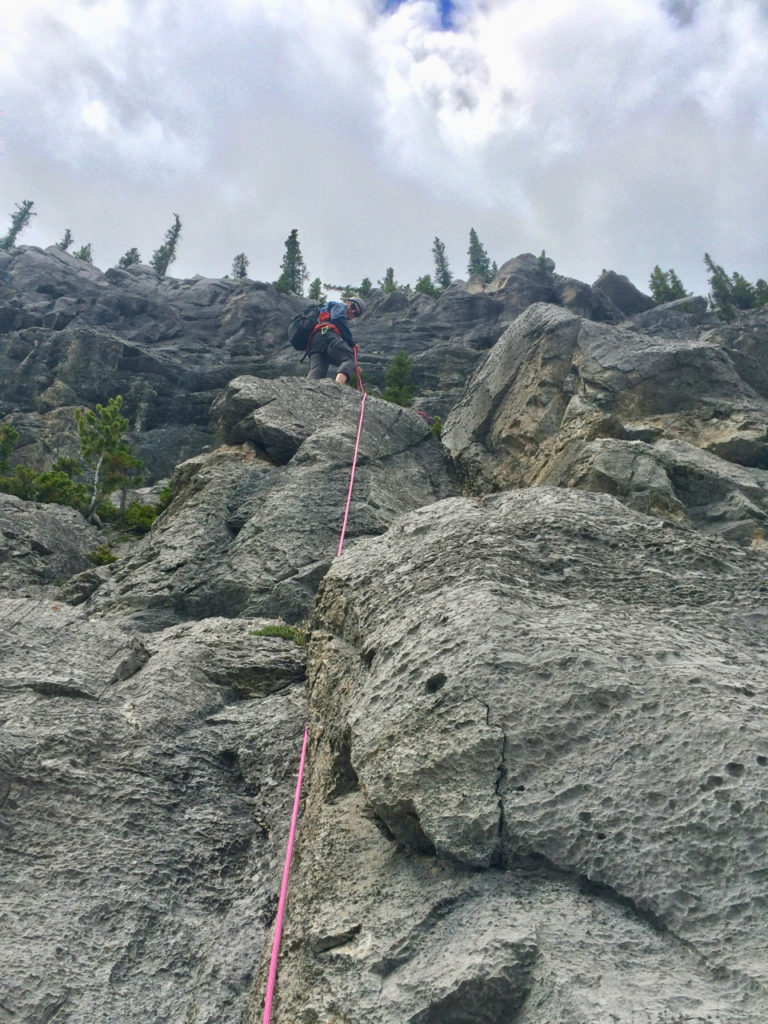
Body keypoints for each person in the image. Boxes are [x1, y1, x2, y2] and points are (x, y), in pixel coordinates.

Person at [307, 296, 365, 385]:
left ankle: (308, 392)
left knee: (317, 372)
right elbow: (337, 320)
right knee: (350, 359)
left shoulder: (326, 311)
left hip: (315, 340)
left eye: (356, 313)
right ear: (347, 302)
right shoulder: (339, 306)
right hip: (327, 334)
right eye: (353, 307)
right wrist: (352, 344)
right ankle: (337, 387)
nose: (353, 312)